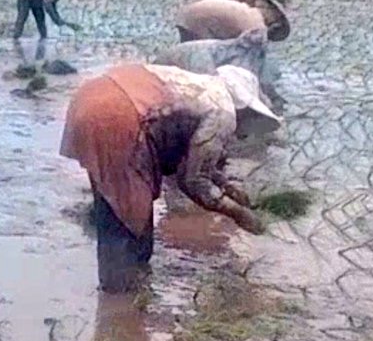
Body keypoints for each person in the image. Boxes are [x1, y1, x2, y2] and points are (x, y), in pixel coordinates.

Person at [60, 63, 282, 292]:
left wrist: (227, 186)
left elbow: (189, 159)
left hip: (90, 98)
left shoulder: (199, 87)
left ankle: (117, 291)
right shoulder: (223, 112)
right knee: (129, 221)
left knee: (110, 205)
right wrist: (239, 214)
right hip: (119, 116)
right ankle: (122, 303)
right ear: (243, 106)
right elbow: (194, 181)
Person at [176, 0, 289, 43]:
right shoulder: (257, 26)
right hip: (201, 24)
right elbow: (250, 58)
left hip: (187, 14)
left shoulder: (244, 9)